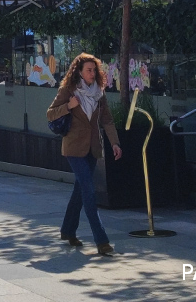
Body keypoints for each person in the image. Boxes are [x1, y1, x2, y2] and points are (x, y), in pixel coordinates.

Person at [47, 53, 122, 257]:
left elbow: (107, 120)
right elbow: (50, 113)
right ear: (79, 72)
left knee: (80, 190)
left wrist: (114, 142)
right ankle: (102, 241)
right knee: (89, 191)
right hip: (73, 148)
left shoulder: (99, 92)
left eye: (94, 70)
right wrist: (68, 106)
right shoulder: (69, 90)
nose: (92, 73)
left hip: (92, 148)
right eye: (88, 70)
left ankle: (68, 230)